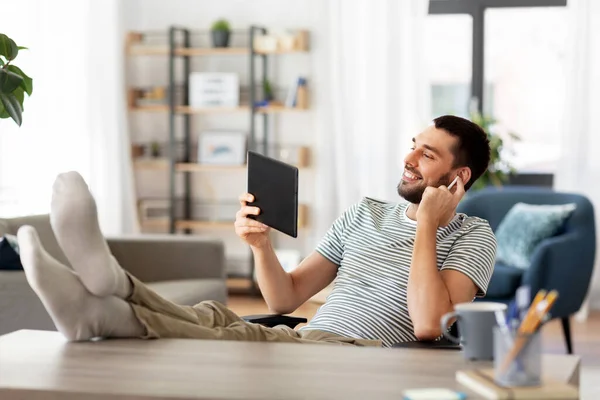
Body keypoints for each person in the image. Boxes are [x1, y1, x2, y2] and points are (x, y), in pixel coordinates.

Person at [17, 114, 496, 348]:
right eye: (413, 145)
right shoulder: (363, 213)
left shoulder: (474, 236)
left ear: (458, 178)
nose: (409, 158)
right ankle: (108, 290)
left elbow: (429, 324)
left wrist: (428, 226)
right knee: (212, 316)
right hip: (310, 337)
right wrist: (261, 246)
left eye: (427, 154)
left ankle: (99, 307)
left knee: (232, 340)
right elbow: (284, 301)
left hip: (353, 353)